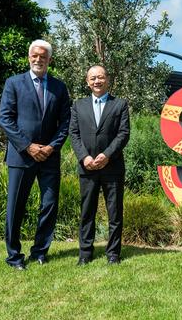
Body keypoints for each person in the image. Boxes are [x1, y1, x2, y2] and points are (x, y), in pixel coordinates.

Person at [0, 39, 71, 270]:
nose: (38, 59)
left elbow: (65, 122)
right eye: (34, 55)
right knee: (15, 206)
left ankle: (40, 252)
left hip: (49, 157)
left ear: (50, 60)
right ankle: (14, 256)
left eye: (43, 56)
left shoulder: (59, 87)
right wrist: (28, 146)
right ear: (29, 57)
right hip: (21, 157)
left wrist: (51, 147)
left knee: (49, 204)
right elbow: (5, 119)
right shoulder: (14, 83)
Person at [70, 65, 130, 265]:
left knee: (115, 214)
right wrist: (84, 157)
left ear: (107, 80)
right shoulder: (79, 106)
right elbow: (74, 134)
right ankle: (85, 254)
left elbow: (123, 134)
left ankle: (113, 254)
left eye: (100, 77)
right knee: (87, 212)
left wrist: (107, 155)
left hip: (112, 168)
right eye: (93, 78)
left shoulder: (120, 105)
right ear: (87, 82)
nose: (97, 81)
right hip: (87, 168)